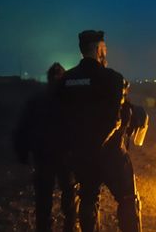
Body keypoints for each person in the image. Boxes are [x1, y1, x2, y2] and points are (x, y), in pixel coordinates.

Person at [56, 30, 141, 232]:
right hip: (110, 153)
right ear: (98, 49)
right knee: (128, 199)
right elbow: (114, 119)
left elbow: (59, 119)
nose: (106, 53)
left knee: (88, 198)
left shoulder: (66, 80)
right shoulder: (112, 78)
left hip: (81, 154)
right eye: (105, 48)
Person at [13, 63, 78, 232]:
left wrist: (23, 154)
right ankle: (69, 227)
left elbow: (23, 128)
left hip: (44, 156)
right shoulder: (71, 100)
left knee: (44, 201)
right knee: (69, 197)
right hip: (65, 157)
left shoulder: (36, 100)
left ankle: (46, 228)